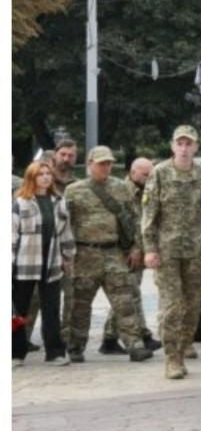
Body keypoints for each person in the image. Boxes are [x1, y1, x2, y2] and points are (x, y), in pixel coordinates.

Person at [140, 127, 201, 379]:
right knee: (172, 306)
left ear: (196, 147)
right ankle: (172, 358)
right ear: (173, 146)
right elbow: (149, 214)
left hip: (195, 250)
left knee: (193, 303)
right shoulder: (160, 174)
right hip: (167, 251)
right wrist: (150, 248)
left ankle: (185, 343)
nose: (184, 148)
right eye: (180, 143)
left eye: (189, 144)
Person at [62, 146, 151, 362]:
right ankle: (75, 346)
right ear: (90, 164)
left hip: (114, 253)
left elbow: (134, 219)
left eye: (109, 163)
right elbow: (65, 224)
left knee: (125, 302)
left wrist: (136, 247)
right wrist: (66, 255)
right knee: (80, 305)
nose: (106, 167)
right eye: (102, 163)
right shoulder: (73, 190)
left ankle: (135, 345)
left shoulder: (121, 188)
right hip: (84, 253)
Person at [13, 162, 74, 366]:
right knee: (19, 310)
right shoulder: (20, 203)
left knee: (51, 308)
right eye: (41, 174)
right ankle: (15, 353)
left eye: (48, 173)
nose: (46, 177)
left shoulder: (59, 201)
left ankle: (55, 352)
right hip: (25, 263)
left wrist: (68, 256)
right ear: (32, 178)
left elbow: (65, 232)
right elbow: (11, 236)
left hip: (51, 263)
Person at [104, 156, 159, 357]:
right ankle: (112, 338)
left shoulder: (148, 190)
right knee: (129, 295)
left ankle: (114, 336)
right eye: (145, 174)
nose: (148, 178)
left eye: (151, 174)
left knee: (131, 295)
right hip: (127, 252)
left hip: (143, 249)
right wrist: (133, 248)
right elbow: (127, 223)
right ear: (133, 172)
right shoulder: (123, 191)